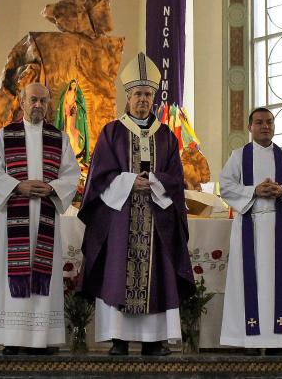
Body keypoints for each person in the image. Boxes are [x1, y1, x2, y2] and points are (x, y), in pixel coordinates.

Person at [79, 52, 195, 357]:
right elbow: (100, 175)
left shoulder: (167, 136)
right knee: (117, 273)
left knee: (159, 274)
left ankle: (153, 340)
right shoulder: (111, 132)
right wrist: (130, 181)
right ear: (127, 97)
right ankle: (118, 338)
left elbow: (175, 177)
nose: (142, 100)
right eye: (137, 94)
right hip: (121, 218)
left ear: (154, 99)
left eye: (148, 94)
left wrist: (154, 182)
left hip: (156, 218)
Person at [0, 83, 81, 355]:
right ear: (22, 102)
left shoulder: (59, 138)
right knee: (13, 273)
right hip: (14, 218)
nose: (38, 105)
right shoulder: (4, 136)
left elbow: (71, 175)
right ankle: (12, 338)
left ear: (49, 104)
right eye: (33, 100)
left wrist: (52, 188)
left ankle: (42, 339)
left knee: (44, 276)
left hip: (46, 216)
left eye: (43, 101)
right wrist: (17, 186)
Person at [218, 107, 282, 355]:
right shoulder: (239, 156)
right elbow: (225, 186)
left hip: (280, 228)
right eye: (259, 122)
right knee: (249, 283)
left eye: (269, 122)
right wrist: (253, 191)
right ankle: (251, 340)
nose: (265, 126)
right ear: (250, 127)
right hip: (251, 225)